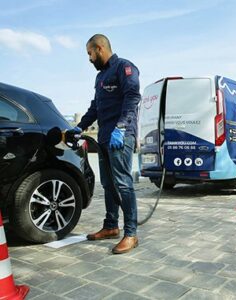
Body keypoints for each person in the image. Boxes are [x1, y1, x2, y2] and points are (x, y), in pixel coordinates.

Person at [73, 34, 141, 254]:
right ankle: (111, 226)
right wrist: (80, 126)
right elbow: (95, 107)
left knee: (122, 183)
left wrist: (121, 128)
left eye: (90, 53)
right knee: (108, 183)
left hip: (120, 136)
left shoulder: (125, 67)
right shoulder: (101, 77)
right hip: (104, 138)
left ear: (99, 48)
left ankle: (130, 234)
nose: (89, 59)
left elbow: (132, 98)